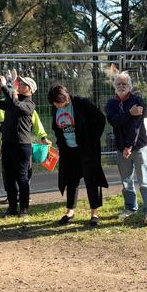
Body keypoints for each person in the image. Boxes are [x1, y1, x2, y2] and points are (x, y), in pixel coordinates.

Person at [48, 84, 108, 227]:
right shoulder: (55, 107)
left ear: (66, 97)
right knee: (71, 179)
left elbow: (100, 119)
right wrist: (60, 142)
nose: (56, 106)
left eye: (58, 102)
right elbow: (56, 127)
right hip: (68, 150)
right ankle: (70, 211)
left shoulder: (81, 103)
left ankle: (94, 212)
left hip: (86, 149)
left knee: (91, 179)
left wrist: (91, 139)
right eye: (54, 103)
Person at [105, 72, 147, 225]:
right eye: (119, 84)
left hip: (138, 146)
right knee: (126, 181)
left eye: (124, 84)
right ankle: (130, 207)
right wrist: (128, 113)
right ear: (115, 87)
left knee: (144, 180)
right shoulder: (111, 104)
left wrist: (129, 146)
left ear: (130, 86)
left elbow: (136, 126)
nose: (121, 86)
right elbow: (114, 121)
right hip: (121, 148)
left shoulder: (137, 100)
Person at [0, 74, 38, 216]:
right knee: (9, 177)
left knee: (22, 177)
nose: (20, 85)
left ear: (30, 89)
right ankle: (12, 207)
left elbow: (17, 105)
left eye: (23, 84)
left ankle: (24, 208)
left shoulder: (30, 105)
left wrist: (5, 86)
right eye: (20, 83)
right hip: (8, 144)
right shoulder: (13, 101)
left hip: (22, 145)